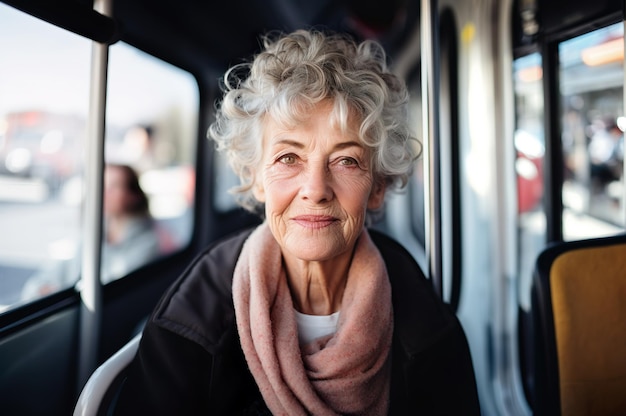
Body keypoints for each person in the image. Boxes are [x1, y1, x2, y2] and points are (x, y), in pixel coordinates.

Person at [114, 29, 480, 415]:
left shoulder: (426, 326)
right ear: (256, 178)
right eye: (289, 158)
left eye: (347, 160)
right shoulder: (190, 324)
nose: (316, 189)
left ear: (377, 187)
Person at [21, 164, 162, 300]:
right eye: (102, 185)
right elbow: (62, 270)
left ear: (133, 196)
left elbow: (110, 286)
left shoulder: (149, 243)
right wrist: (41, 288)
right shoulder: (94, 233)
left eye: (114, 186)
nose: (104, 193)